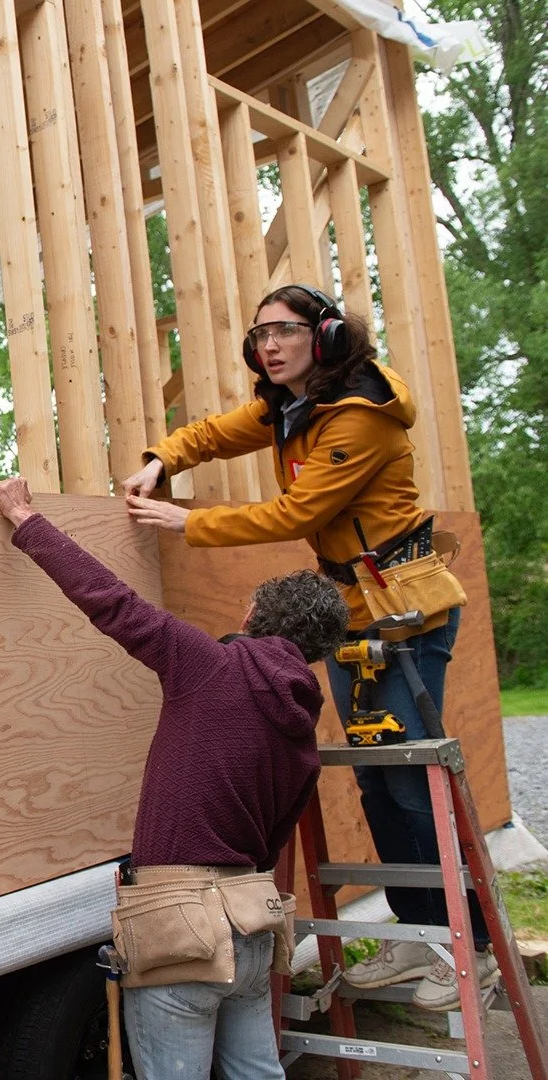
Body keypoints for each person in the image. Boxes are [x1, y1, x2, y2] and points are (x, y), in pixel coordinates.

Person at [122, 283, 485, 1009]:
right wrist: (162, 457)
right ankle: (415, 937)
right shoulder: (293, 405)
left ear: (322, 337)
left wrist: (184, 522)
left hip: (401, 611)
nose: (269, 346)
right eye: (259, 337)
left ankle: (463, 945)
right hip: (352, 610)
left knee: (407, 774)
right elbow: (219, 432)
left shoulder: (358, 417)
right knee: (376, 779)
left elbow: (300, 511)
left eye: (284, 332)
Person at [0, 475, 348, 1080]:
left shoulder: (208, 665)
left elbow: (112, 602)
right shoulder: (302, 730)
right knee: (259, 1073)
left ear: (254, 613)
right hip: (250, 927)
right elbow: (270, 841)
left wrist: (28, 522)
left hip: (179, 927)